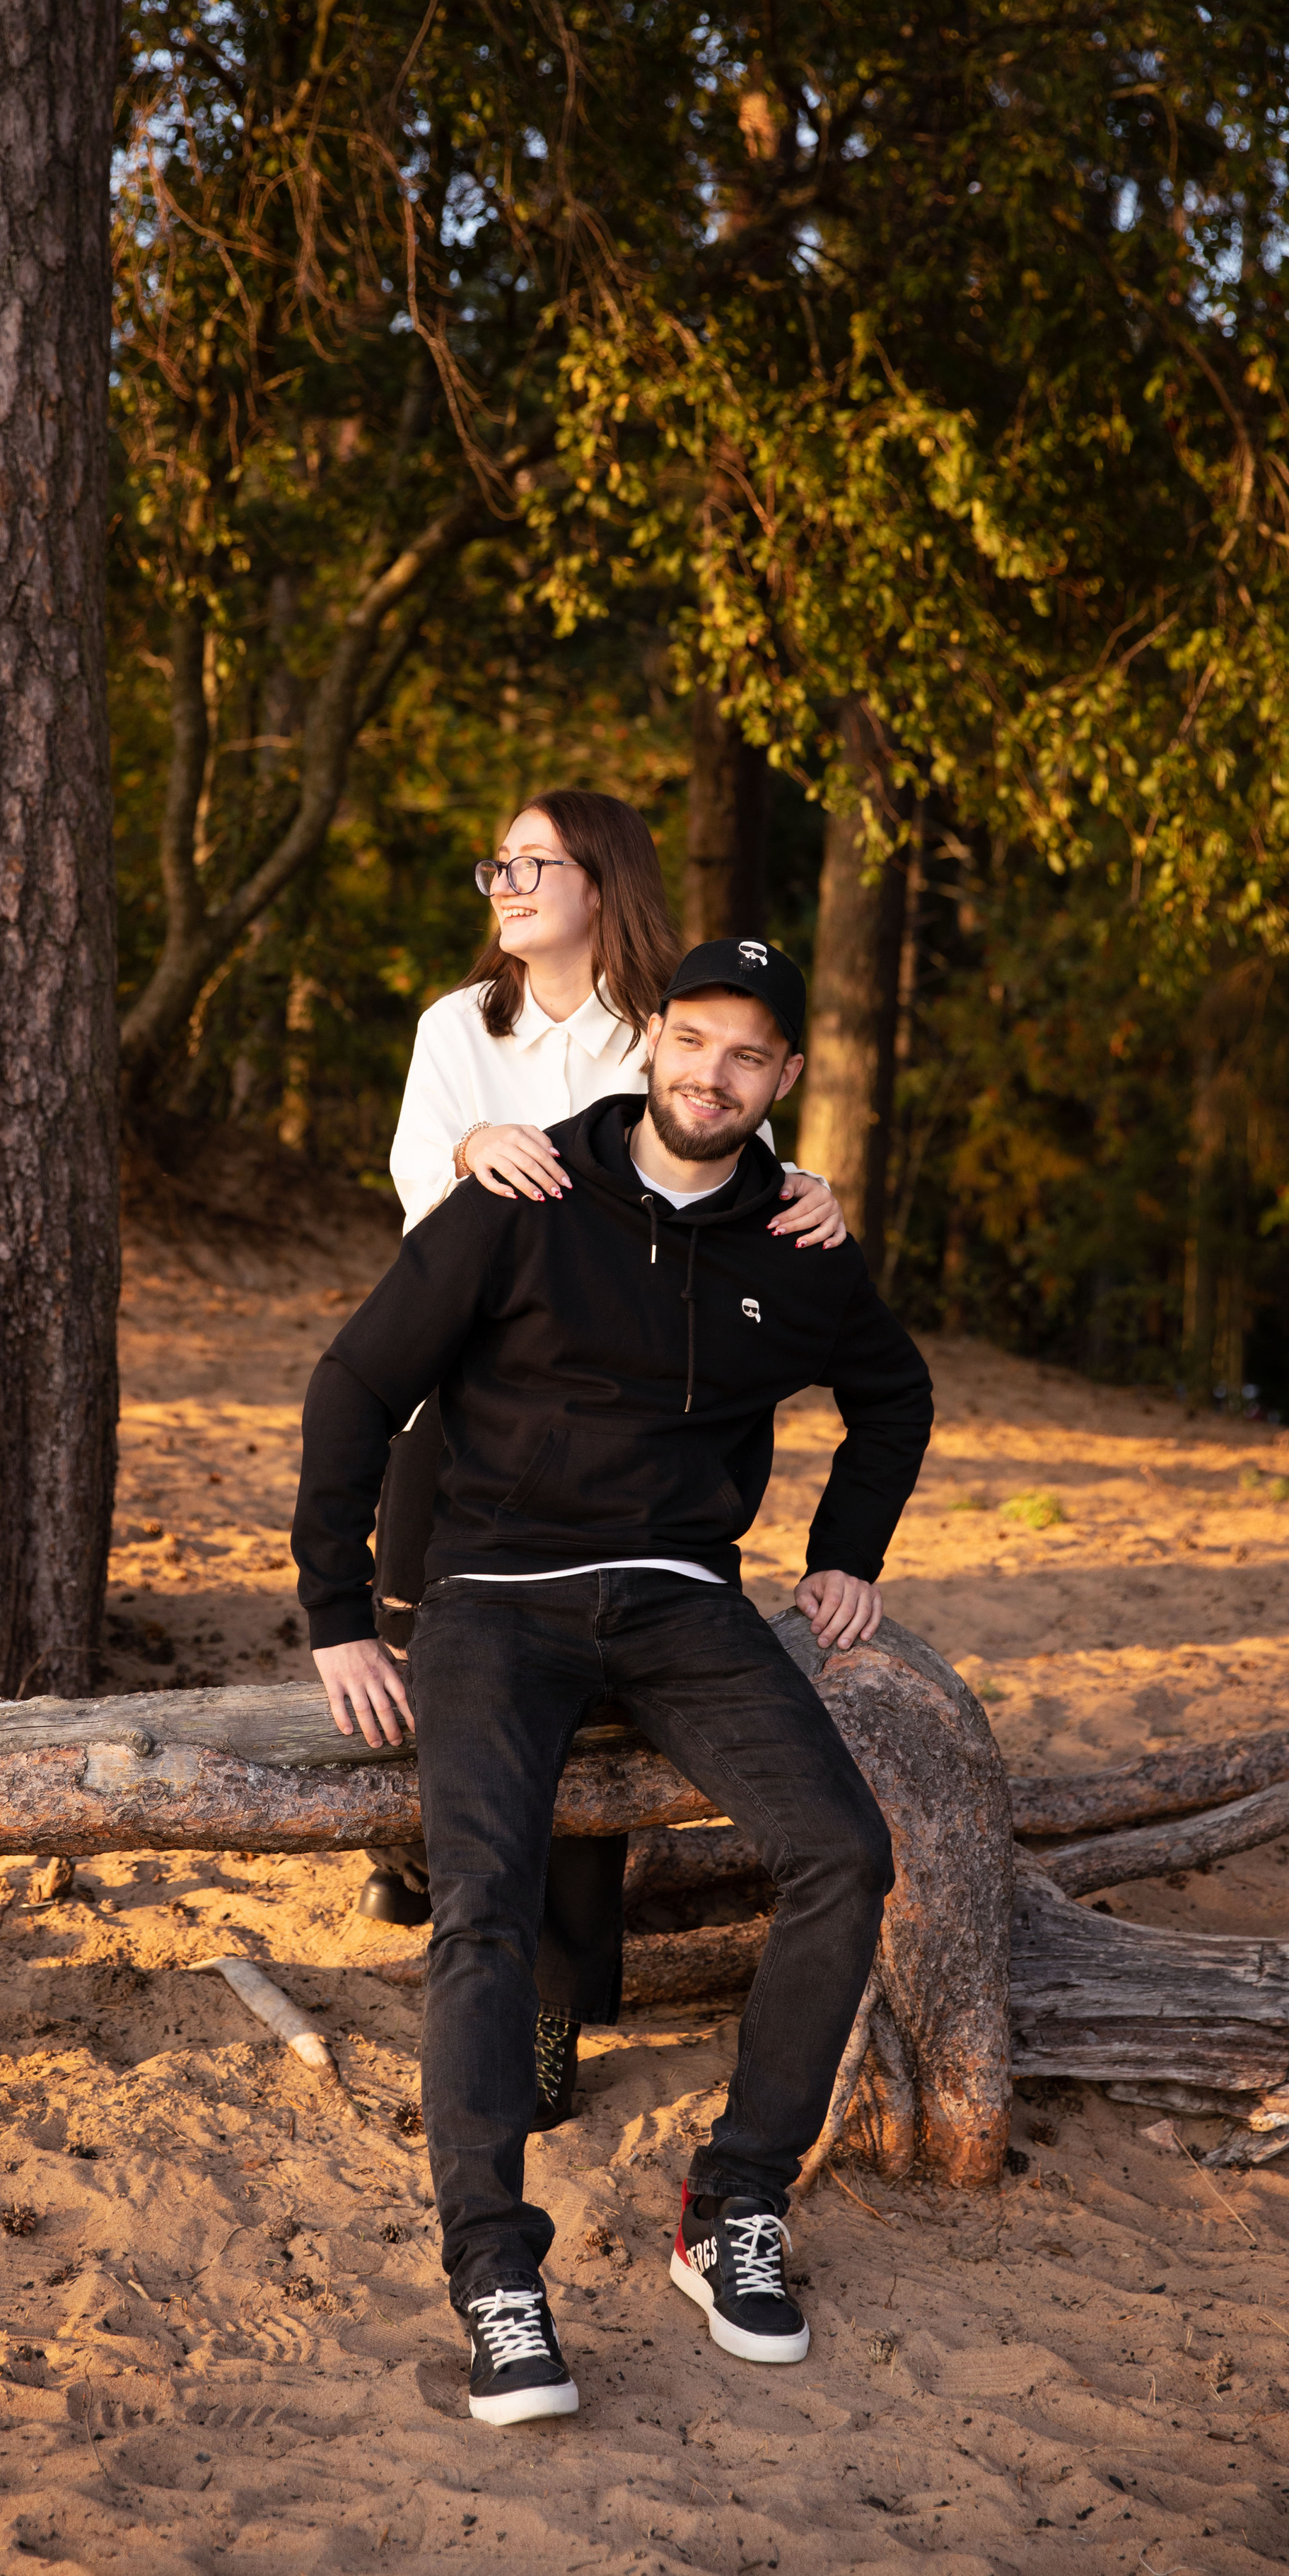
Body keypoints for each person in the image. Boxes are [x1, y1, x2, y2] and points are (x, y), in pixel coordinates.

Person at [292, 937, 933, 2426]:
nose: (712, 1074)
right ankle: (495, 2277)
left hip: (683, 1605)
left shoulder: (795, 1236)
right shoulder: (523, 1195)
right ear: (656, 1044)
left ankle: (732, 2205)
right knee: (483, 1903)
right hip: (493, 1601)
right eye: (693, 1039)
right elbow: (354, 1383)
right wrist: (338, 1619)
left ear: (780, 1081)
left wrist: (846, 1552)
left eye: (747, 1056)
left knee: (843, 1853)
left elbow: (893, 1396)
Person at [361, 790, 844, 2137]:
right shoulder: (460, 1029)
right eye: (494, 866)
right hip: (465, 1390)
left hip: (619, 1441)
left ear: (601, 881)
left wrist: (816, 1193)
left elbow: (725, 1167)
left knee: (588, 1701)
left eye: (532, 864)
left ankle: (552, 2008)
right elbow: (418, 1194)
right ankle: (412, 1854)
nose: (503, 885)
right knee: (427, 1658)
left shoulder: (664, 1038)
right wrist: (471, 1149)